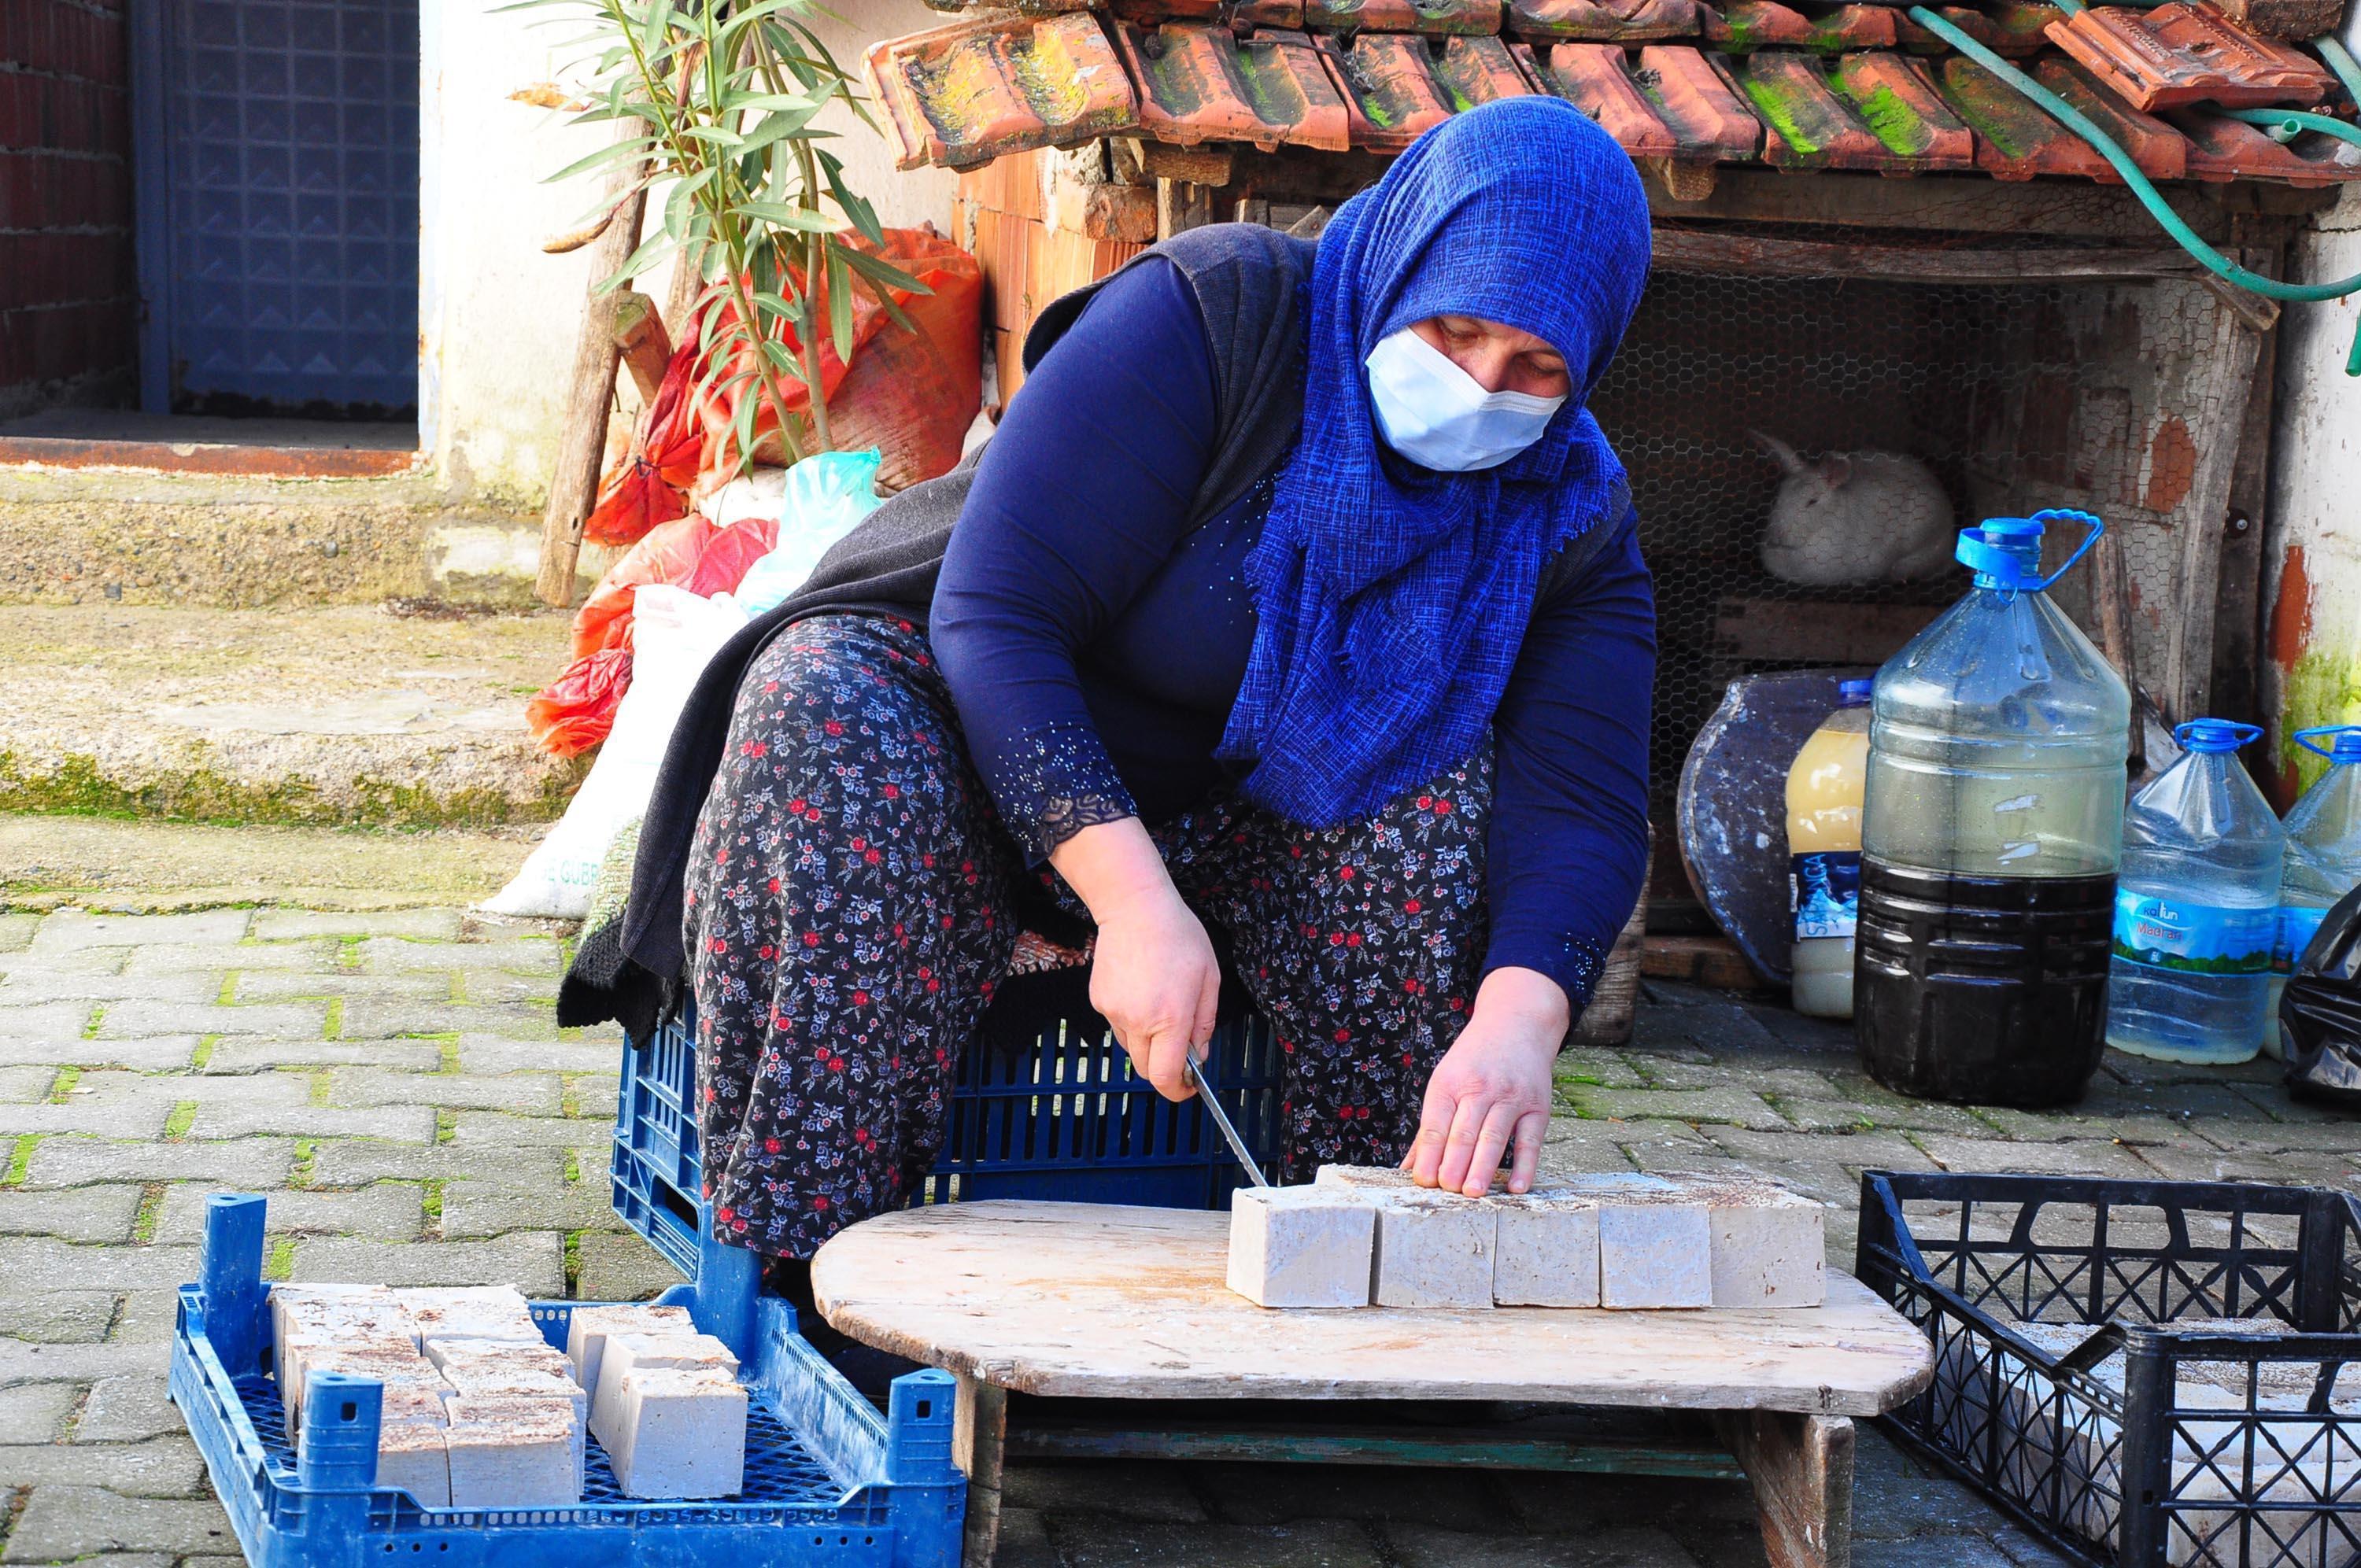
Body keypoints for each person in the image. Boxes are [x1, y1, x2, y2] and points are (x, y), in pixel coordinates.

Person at [564, 96, 1656, 1273]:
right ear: (1403, 259)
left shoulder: (1569, 509)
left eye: (1536, 363)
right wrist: (1133, 904)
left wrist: (1520, 1020)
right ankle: (798, 1282)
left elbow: (1583, 801)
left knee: (1441, 813)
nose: (1484, 383)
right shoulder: (1220, 315)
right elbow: (996, 612)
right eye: (1452, 332)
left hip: (1245, 816)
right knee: (821, 712)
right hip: (981, 732)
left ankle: (1369, 1274)